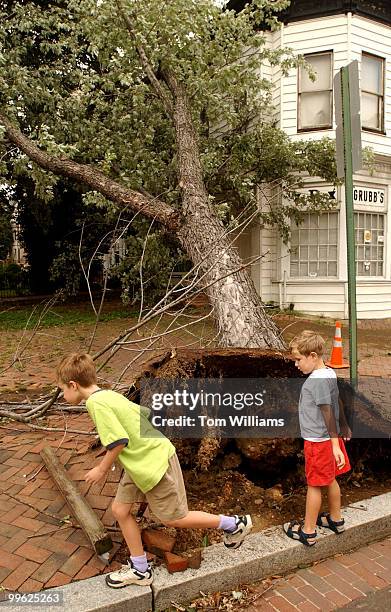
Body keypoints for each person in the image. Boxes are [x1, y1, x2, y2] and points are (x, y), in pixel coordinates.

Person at [56, 353, 252, 587]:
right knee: (120, 510)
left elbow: (118, 441)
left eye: (62, 390)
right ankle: (140, 570)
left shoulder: (95, 403)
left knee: (176, 518)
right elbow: (142, 414)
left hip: (154, 463)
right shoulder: (107, 394)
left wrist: (101, 468)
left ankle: (234, 524)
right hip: (139, 464)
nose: (63, 395)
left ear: (73, 385)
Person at [284, 331, 352, 547]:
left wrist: (334, 446)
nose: (296, 365)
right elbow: (336, 402)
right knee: (331, 479)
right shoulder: (329, 373)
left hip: (320, 442)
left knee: (314, 485)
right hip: (330, 440)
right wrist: (345, 426)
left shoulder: (316, 382)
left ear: (312, 355)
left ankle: (308, 531)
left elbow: (327, 412)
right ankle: (335, 519)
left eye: (298, 360)